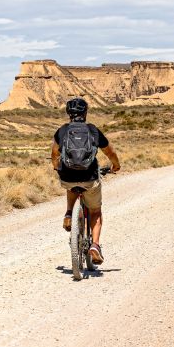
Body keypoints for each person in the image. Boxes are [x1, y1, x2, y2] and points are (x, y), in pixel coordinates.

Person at [51, 97, 120, 265]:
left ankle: (69, 214)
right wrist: (115, 165)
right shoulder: (93, 130)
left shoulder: (62, 131)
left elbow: (54, 154)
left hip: (67, 177)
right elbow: (110, 152)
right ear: (85, 112)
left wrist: (56, 167)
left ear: (68, 113)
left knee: (70, 184)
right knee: (95, 212)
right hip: (89, 178)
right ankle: (95, 246)